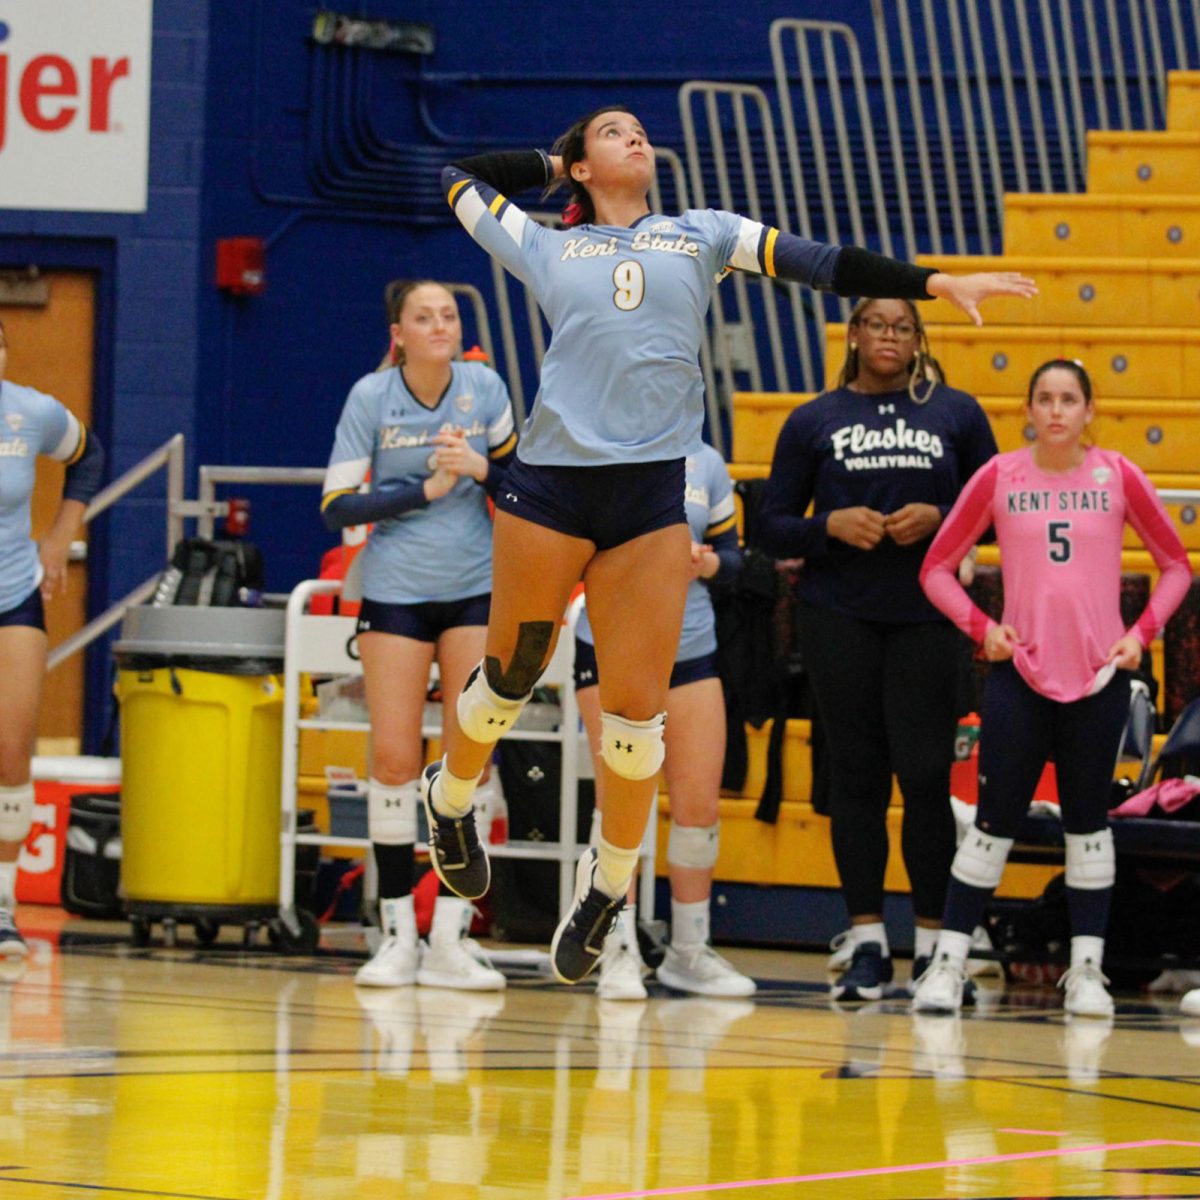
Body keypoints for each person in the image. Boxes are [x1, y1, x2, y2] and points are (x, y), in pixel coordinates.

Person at [430, 104, 1035, 986]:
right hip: (553, 485)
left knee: (637, 725)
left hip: (648, 497)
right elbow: (456, 177)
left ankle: (604, 892)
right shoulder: (544, 244)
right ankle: (448, 803)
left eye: (638, 129)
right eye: (611, 132)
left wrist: (936, 282)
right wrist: (554, 163)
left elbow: (822, 264)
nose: (634, 136)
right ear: (584, 165)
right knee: (512, 674)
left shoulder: (701, 235)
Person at [912, 359, 1191, 1017]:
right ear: (1030, 411)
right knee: (991, 826)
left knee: (1088, 826)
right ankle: (948, 966)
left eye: (1070, 399)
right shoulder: (999, 476)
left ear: (1089, 410)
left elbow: (1176, 565)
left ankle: (1086, 972)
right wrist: (982, 628)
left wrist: (1140, 634)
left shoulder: (1118, 475)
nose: (1058, 410)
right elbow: (936, 568)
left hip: (1097, 682)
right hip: (1020, 678)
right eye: (1046, 399)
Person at [759, 297, 1001, 1001]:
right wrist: (829, 525)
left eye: (902, 326)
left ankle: (935, 950)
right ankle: (866, 944)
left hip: (928, 617)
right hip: (839, 618)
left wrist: (947, 517)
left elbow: (1003, 504)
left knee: (927, 780)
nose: (888, 335)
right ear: (856, 335)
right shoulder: (813, 420)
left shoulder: (957, 413)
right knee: (857, 778)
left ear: (917, 338)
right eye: (876, 324)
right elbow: (771, 525)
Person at [321, 280, 517, 991]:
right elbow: (336, 503)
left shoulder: (484, 386)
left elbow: (525, 486)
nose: (440, 326)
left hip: (472, 589)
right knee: (397, 759)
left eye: (449, 315)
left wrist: (482, 470)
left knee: (469, 762)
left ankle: (451, 940)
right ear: (398, 331)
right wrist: (422, 491)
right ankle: (396, 933)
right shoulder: (370, 398)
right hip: (395, 591)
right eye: (424, 317)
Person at [575, 442, 754, 1000]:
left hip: (692, 644)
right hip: (612, 645)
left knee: (698, 806)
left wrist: (710, 563)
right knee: (621, 801)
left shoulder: (708, 462)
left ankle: (689, 951)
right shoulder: (599, 450)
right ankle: (617, 946)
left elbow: (735, 556)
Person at [0, 315, 104, 958]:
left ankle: (3, 902)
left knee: (12, 750)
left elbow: (89, 457)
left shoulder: (30, 414)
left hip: (14, 595)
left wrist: (62, 536)